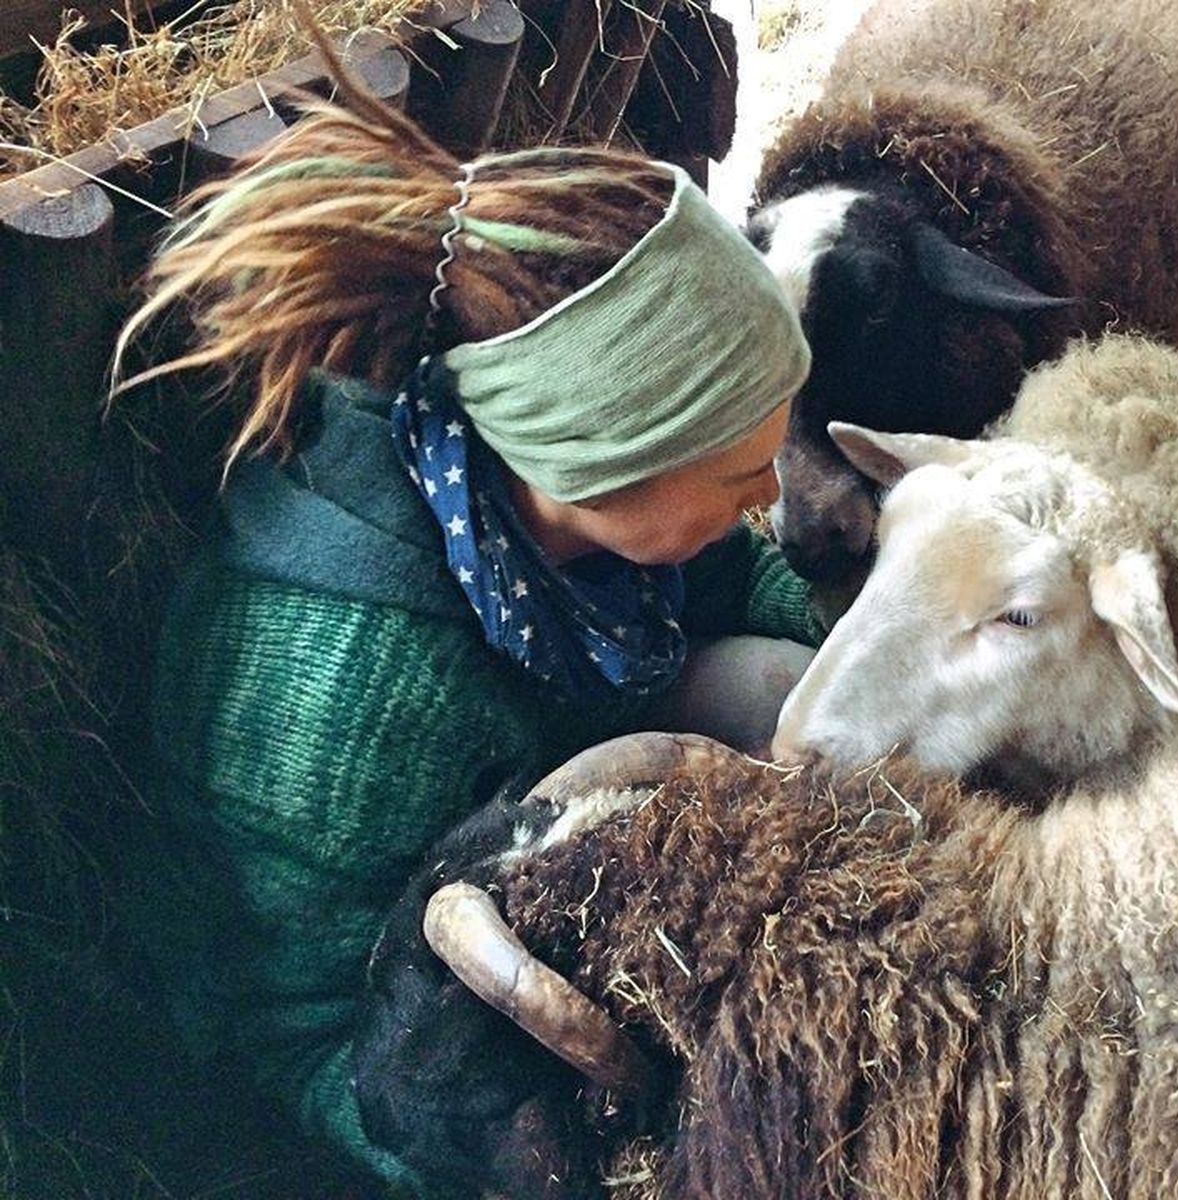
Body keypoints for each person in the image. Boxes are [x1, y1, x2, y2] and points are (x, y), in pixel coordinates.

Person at [113, 62, 819, 1196]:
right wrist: (514, 1149)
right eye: (742, 469)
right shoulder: (348, 695)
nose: (764, 499)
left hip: (524, 816)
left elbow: (736, 570)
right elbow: (278, 1037)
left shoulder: (561, 507)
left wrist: (879, 620)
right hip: (381, 1046)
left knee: (799, 692)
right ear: (604, 460)